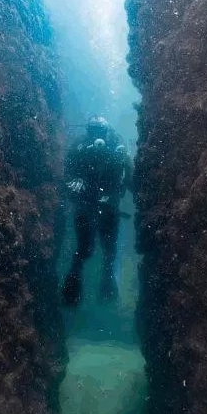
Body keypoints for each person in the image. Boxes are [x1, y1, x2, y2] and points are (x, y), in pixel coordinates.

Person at [62, 115, 133, 307]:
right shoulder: (79, 147)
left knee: (108, 249)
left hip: (109, 206)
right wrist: (74, 184)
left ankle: (107, 282)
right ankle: (76, 283)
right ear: (88, 131)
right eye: (93, 132)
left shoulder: (117, 146)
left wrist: (125, 161)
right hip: (87, 205)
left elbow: (130, 178)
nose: (97, 137)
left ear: (106, 132)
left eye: (100, 132)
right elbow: (67, 174)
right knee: (85, 248)